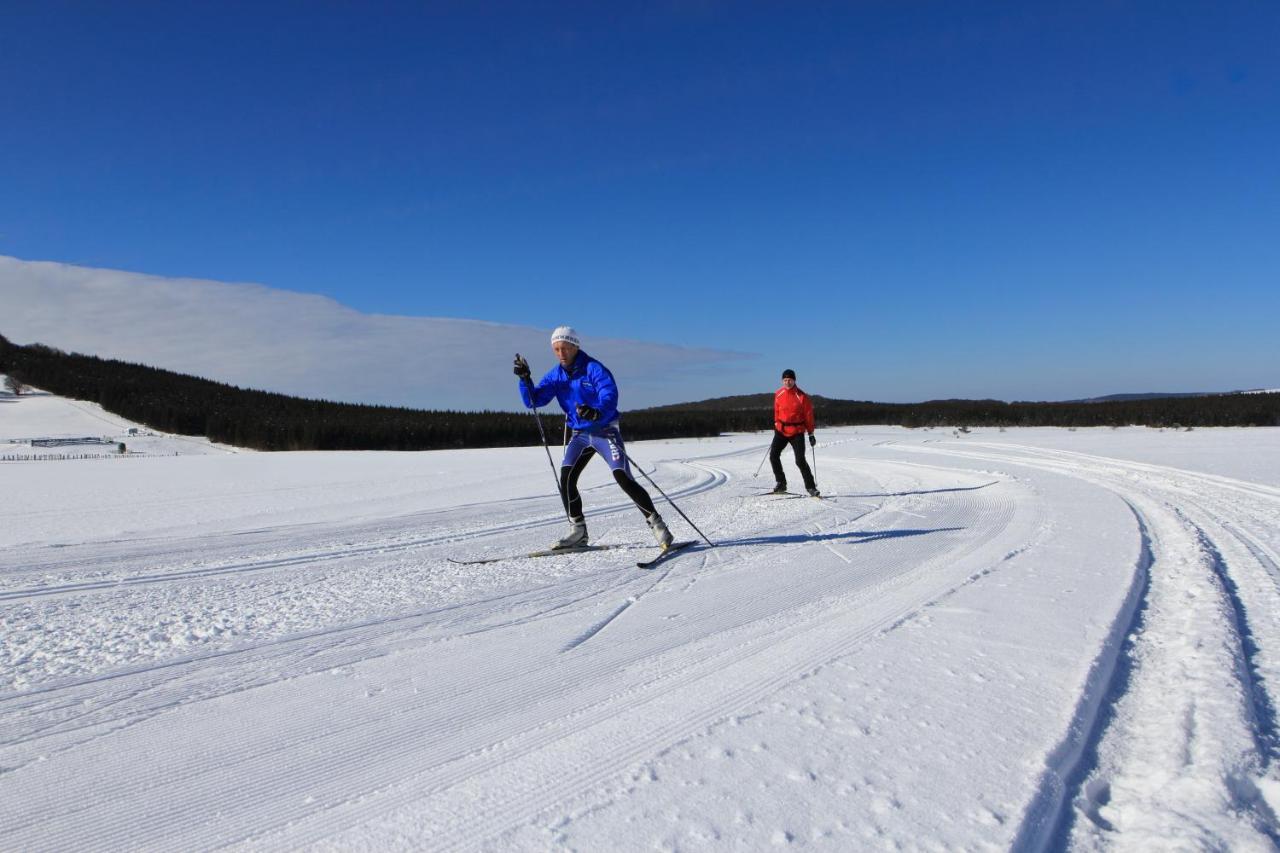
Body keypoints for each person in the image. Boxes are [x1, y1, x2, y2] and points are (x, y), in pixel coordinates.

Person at [514, 326, 674, 550]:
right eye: (556, 349)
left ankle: (659, 527)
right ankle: (578, 532)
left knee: (622, 477)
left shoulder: (593, 369)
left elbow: (609, 394)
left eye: (565, 348)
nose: (561, 353)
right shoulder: (555, 375)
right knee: (567, 479)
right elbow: (534, 401)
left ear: (575, 346)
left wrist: (597, 411)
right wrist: (525, 379)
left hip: (604, 430)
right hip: (579, 435)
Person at [770, 368, 819, 496]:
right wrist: (776, 423)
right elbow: (776, 411)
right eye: (785, 380)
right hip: (781, 430)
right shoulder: (778, 394)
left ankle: (811, 487)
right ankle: (781, 483)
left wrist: (811, 433)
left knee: (800, 460)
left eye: (790, 380)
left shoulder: (802, 396)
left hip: (797, 431)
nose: (787, 382)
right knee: (773, 456)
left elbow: (808, 415)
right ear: (782, 381)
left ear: (794, 380)